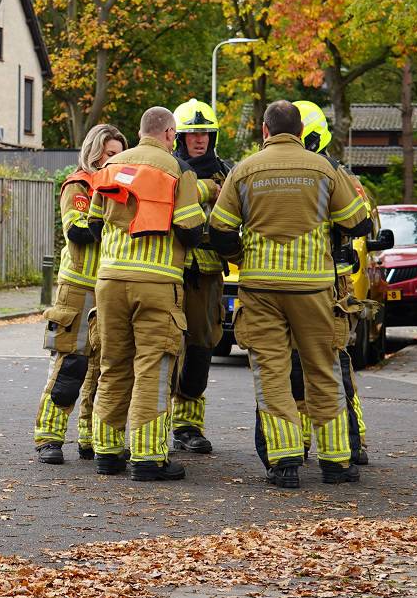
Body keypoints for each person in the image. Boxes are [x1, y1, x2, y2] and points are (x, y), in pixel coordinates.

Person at [209, 99, 372, 488]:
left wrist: (242, 256)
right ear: (300, 132)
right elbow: (358, 221)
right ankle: (336, 462)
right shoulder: (325, 169)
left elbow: (220, 229)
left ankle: (284, 463)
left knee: (272, 374)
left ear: (264, 130)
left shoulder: (244, 170)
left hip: (261, 289)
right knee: (323, 369)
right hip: (313, 289)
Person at [89, 107, 207, 481]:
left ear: (140, 132)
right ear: (170, 134)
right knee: (153, 369)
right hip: (156, 283)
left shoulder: (110, 166)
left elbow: (93, 223)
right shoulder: (178, 170)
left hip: (109, 281)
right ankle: (148, 457)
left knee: (113, 365)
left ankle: (107, 452)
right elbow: (190, 230)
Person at [289, 99, 376, 466]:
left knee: (334, 362)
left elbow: (361, 221)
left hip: (331, 283)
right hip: (299, 281)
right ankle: (301, 440)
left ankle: (352, 442)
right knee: (296, 365)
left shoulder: (339, 175)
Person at [34, 123, 127, 462]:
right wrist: (115, 219)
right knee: (70, 365)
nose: (114, 160)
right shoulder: (79, 184)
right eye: (110, 153)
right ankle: (49, 438)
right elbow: (76, 230)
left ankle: (89, 438)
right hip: (78, 287)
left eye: (119, 155)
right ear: (94, 152)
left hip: (108, 287)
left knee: (102, 368)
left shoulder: (119, 188)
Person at [171, 98, 231, 455]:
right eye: (192, 133)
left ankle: (188, 426)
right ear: (179, 137)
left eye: (205, 133)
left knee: (200, 350)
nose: (199, 139)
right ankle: (154, 424)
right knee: (164, 347)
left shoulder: (226, 174)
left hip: (207, 277)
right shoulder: (169, 171)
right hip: (170, 271)